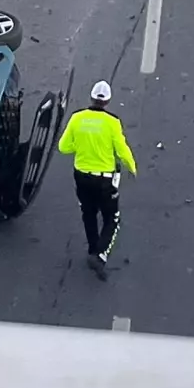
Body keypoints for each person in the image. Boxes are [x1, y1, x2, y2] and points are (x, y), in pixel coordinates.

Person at [57, 81, 136, 280]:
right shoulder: (112, 122)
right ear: (108, 101)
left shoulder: (77, 118)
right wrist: (132, 167)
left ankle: (92, 247)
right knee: (112, 218)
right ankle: (100, 255)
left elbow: (63, 147)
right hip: (104, 180)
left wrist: (82, 147)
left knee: (88, 213)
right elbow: (121, 150)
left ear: (91, 98)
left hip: (82, 176)